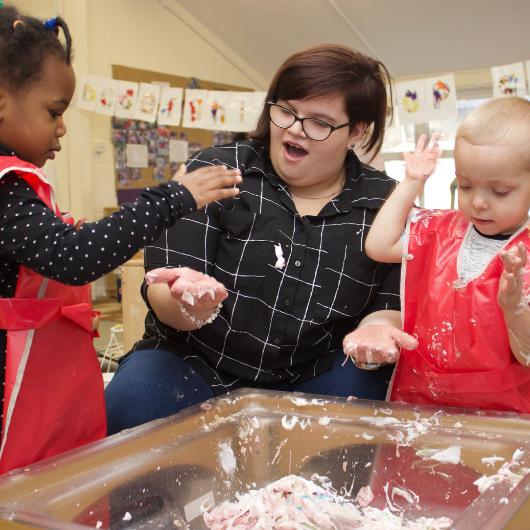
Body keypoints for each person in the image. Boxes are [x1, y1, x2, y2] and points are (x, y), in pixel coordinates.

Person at [105, 43, 419, 434]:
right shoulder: (217, 171)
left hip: (316, 376)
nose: (293, 130)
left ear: (356, 131)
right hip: (193, 363)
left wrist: (375, 328)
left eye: (319, 123)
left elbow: (388, 304)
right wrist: (187, 303)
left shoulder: (386, 203)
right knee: (133, 399)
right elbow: (163, 291)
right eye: (285, 111)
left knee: (370, 396)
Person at [0, 5, 241, 472]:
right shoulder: (6, 190)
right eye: (54, 111)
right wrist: (173, 198)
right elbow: (74, 257)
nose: (63, 127)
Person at [349, 96, 530, 413]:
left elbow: (526, 353)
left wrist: (515, 308)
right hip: (419, 399)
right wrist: (411, 181)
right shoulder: (437, 230)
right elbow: (378, 246)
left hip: (502, 412)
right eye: (466, 186)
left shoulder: (523, 256)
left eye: (499, 191)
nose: (479, 203)